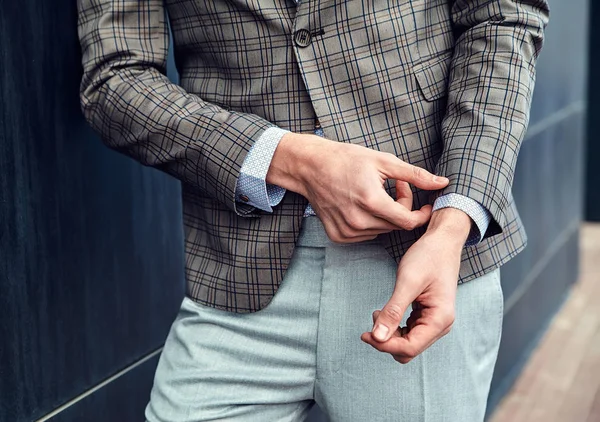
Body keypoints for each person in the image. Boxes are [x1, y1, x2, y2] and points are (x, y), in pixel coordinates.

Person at [77, 0, 549, 420]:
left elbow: (503, 15)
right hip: (238, 272)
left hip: (421, 268)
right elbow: (115, 78)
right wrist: (288, 159)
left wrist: (452, 224)